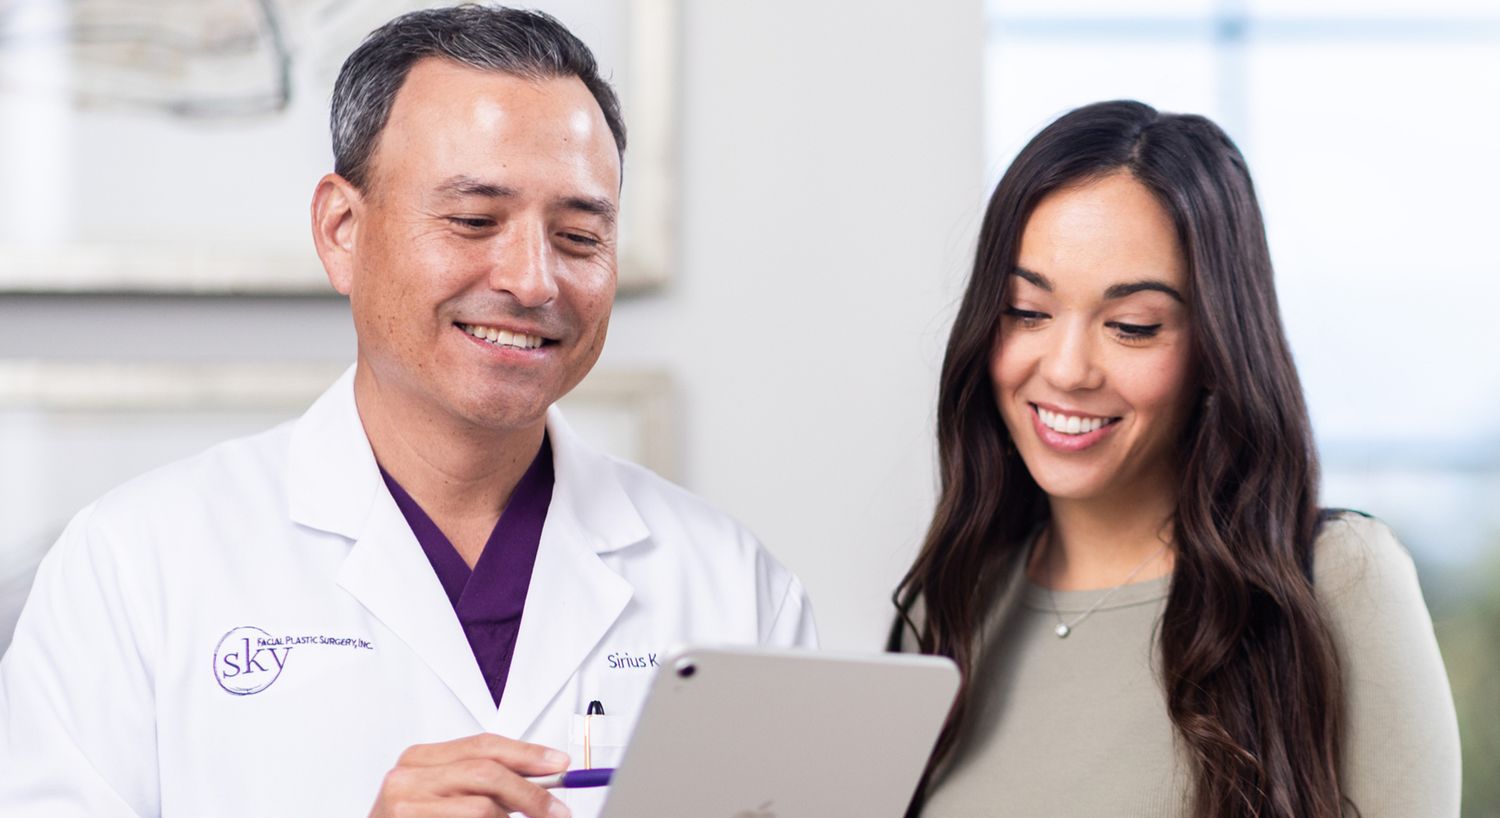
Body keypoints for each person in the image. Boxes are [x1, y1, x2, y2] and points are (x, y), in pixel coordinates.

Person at [0, 7, 816, 818]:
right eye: (473, 221)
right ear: (342, 229)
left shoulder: (730, 588)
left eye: (577, 236)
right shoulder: (135, 567)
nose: (533, 282)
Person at [889, 100, 1459, 818]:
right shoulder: (952, 606)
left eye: (1132, 327)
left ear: (1218, 348)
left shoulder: (1337, 578)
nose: (1066, 369)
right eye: (1027, 312)